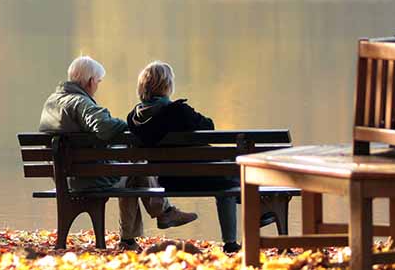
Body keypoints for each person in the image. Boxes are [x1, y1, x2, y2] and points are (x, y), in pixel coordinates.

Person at [39, 56, 198, 250]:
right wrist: (126, 125)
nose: (97, 86)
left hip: (64, 178)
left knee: (130, 168)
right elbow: (103, 127)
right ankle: (162, 213)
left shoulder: (52, 102)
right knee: (135, 169)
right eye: (97, 82)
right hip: (89, 178)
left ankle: (131, 239)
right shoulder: (80, 102)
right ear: (90, 81)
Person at [126, 61, 253, 254]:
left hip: (167, 181)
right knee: (228, 177)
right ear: (167, 86)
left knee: (227, 172)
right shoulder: (178, 112)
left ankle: (259, 209)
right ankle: (231, 242)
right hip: (199, 178)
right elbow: (208, 126)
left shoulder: (134, 118)